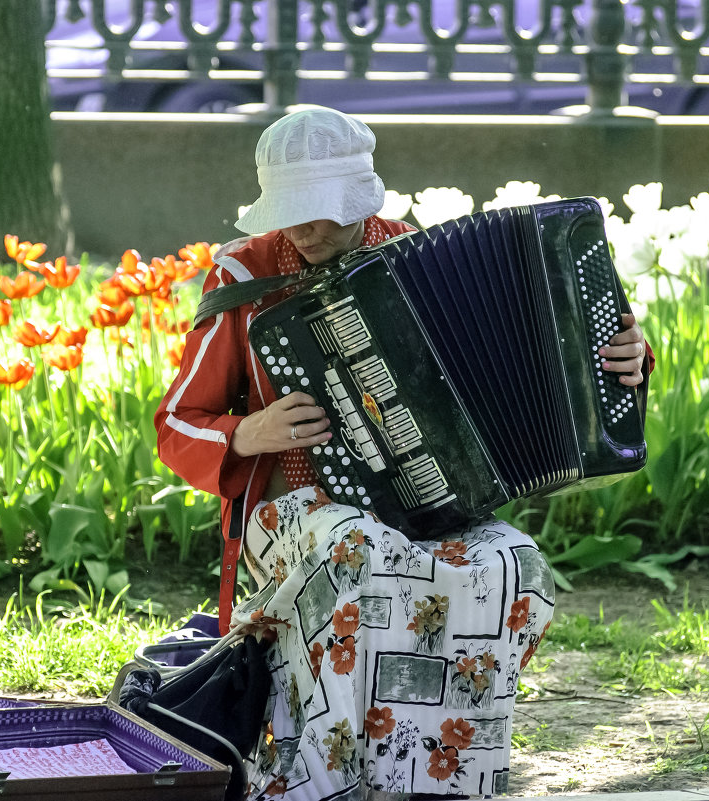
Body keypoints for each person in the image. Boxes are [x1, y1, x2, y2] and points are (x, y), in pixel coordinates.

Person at [155, 106, 651, 800]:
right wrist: (250, 430)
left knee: (513, 560)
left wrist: (624, 357)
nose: (304, 226)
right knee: (358, 548)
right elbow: (178, 422)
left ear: (360, 195)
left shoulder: (407, 249)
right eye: (291, 209)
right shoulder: (240, 274)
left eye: (323, 209)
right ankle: (321, 778)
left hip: (425, 506)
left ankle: (437, 773)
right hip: (293, 514)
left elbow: (523, 352)